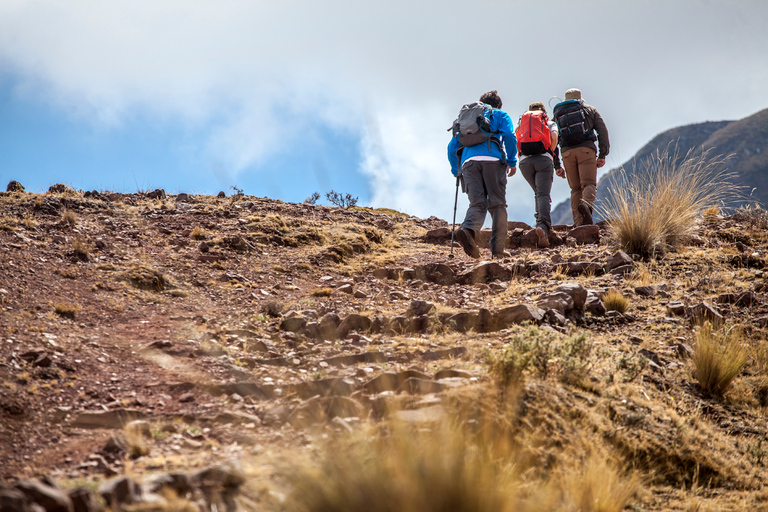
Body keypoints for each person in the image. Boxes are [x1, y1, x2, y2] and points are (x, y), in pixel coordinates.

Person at [448, 90, 517, 259]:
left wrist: (456, 170)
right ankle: (498, 250)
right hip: (492, 160)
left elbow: (451, 148)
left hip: (468, 163)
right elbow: (509, 135)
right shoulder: (499, 114)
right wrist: (511, 160)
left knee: (477, 202)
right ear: (498, 104)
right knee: (498, 204)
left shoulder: (466, 119)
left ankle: (468, 231)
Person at [553, 88, 610, 226]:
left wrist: (557, 165)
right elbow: (602, 130)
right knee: (588, 184)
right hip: (586, 150)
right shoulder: (589, 110)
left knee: (575, 189)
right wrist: (603, 154)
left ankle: (579, 224)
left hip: (567, 154)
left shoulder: (557, 115)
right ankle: (586, 206)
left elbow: (552, 140)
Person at [516, 101, 564, 248]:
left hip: (524, 163)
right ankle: (543, 226)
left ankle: (540, 221)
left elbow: (515, 138)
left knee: (538, 193)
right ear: (543, 113)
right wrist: (550, 152)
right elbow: (554, 138)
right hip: (543, 160)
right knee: (543, 194)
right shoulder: (548, 123)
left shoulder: (522, 124)